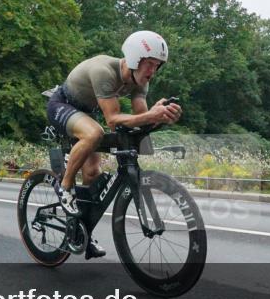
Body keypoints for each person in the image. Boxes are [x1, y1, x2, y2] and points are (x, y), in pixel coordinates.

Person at [46, 30, 181, 259]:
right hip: (62, 104)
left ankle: (82, 235)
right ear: (133, 59)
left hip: (87, 111)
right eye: (149, 64)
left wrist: (159, 114)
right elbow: (112, 120)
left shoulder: (141, 82)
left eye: (157, 66)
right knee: (94, 134)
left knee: (92, 174)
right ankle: (65, 186)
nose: (152, 71)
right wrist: (151, 116)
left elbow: (140, 120)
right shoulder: (104, 71)